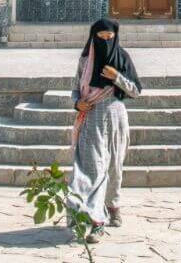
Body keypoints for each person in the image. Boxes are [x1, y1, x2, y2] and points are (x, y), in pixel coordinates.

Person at [66, 17, 141, 245]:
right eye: (101, 38)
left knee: (114, 166)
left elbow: (136, 90)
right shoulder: (86, 60)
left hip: (116, 116)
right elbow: (75, 88)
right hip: (93, 117)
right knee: (93, 168)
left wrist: (116, 77)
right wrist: (77, 103)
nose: (106, 42)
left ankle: (113, 205)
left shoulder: (122, 58)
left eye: (110, 38)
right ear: (93, 37)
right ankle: (96, 221)